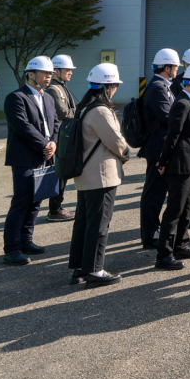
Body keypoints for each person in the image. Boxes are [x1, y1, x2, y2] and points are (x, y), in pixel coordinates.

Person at [67, 63, 130, 287]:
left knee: (83, 222)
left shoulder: (84, 107)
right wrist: (125, 152)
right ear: (109, 86)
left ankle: (79, 268)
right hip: (101, 175)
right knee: (100, 224)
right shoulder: (101, 110)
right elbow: (115, 141)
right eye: (114, 85)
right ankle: (95, 270)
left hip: (86, 174)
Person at [155, 60, 190, 270]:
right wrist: (163, 160)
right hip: (181, 166)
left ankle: (181, 245)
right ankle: (164, 255)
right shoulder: (181, 103)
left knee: (187, 209)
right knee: (174, 210)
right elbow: (173, 136)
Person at [2, 55, 60, 266]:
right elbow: (22, 126)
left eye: (50, 73)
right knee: (21, 201)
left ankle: (26, 240)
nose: (48, 77)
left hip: (45, 155)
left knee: (36, 201)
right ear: (31, 73)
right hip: (25, 157)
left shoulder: (48, 97)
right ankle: (12, 248)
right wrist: (44, 145)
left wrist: (53, 142)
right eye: (45, 73)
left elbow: (54, 124)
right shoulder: (16, 97)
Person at [139, 48, 180, 249]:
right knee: (153, 193)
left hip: (160, 147)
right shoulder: (157, 88)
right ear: (167, 67)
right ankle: (150, 235)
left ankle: (153, 231)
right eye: (175, 67)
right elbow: (167, 117)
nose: (177, 70)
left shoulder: (163, 86)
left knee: (157, 192)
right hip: (157, 149)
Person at [45, 55, 78, 222]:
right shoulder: (53, 89)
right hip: (59, 138)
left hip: (63, 136)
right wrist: (81, 112)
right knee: (60, 174)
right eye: (67, 70)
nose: (70, 72)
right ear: (56, 71)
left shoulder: (61, 86)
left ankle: (56, 208)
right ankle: (55, 210)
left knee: (62, 175)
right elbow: (63, 113)